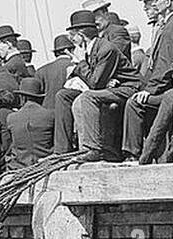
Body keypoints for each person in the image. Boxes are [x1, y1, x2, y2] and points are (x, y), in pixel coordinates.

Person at [121, 0, 173, 161]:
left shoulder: (172, 28)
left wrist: (148, 90)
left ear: (167, 2)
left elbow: (164, 66)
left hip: (172, 90)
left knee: (134, 104)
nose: (153, 5)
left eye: (157, 0)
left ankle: (134, 155)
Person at [54, 9, 132, 160]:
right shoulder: (90, 50)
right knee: (63, 96)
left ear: (82, 36)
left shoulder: (105, 48)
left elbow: (95, 83)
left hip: (126, 88)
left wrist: (80, 62)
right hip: (108, 86)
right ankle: (62, 151)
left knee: (87, 98)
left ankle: (92, 149)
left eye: (73, 36)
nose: (72, 40)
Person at [6, 77, 56, 169]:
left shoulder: (11, 118)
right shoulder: (51, 115)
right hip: (46, 164)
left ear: (22, 97)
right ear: (40, 98)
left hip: (19, 166)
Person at [37, 34, 74, 102]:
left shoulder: (41, 71)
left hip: (46, 110)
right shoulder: (77, 67)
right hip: (67, 110)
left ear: (55, 53)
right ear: (71, 50)